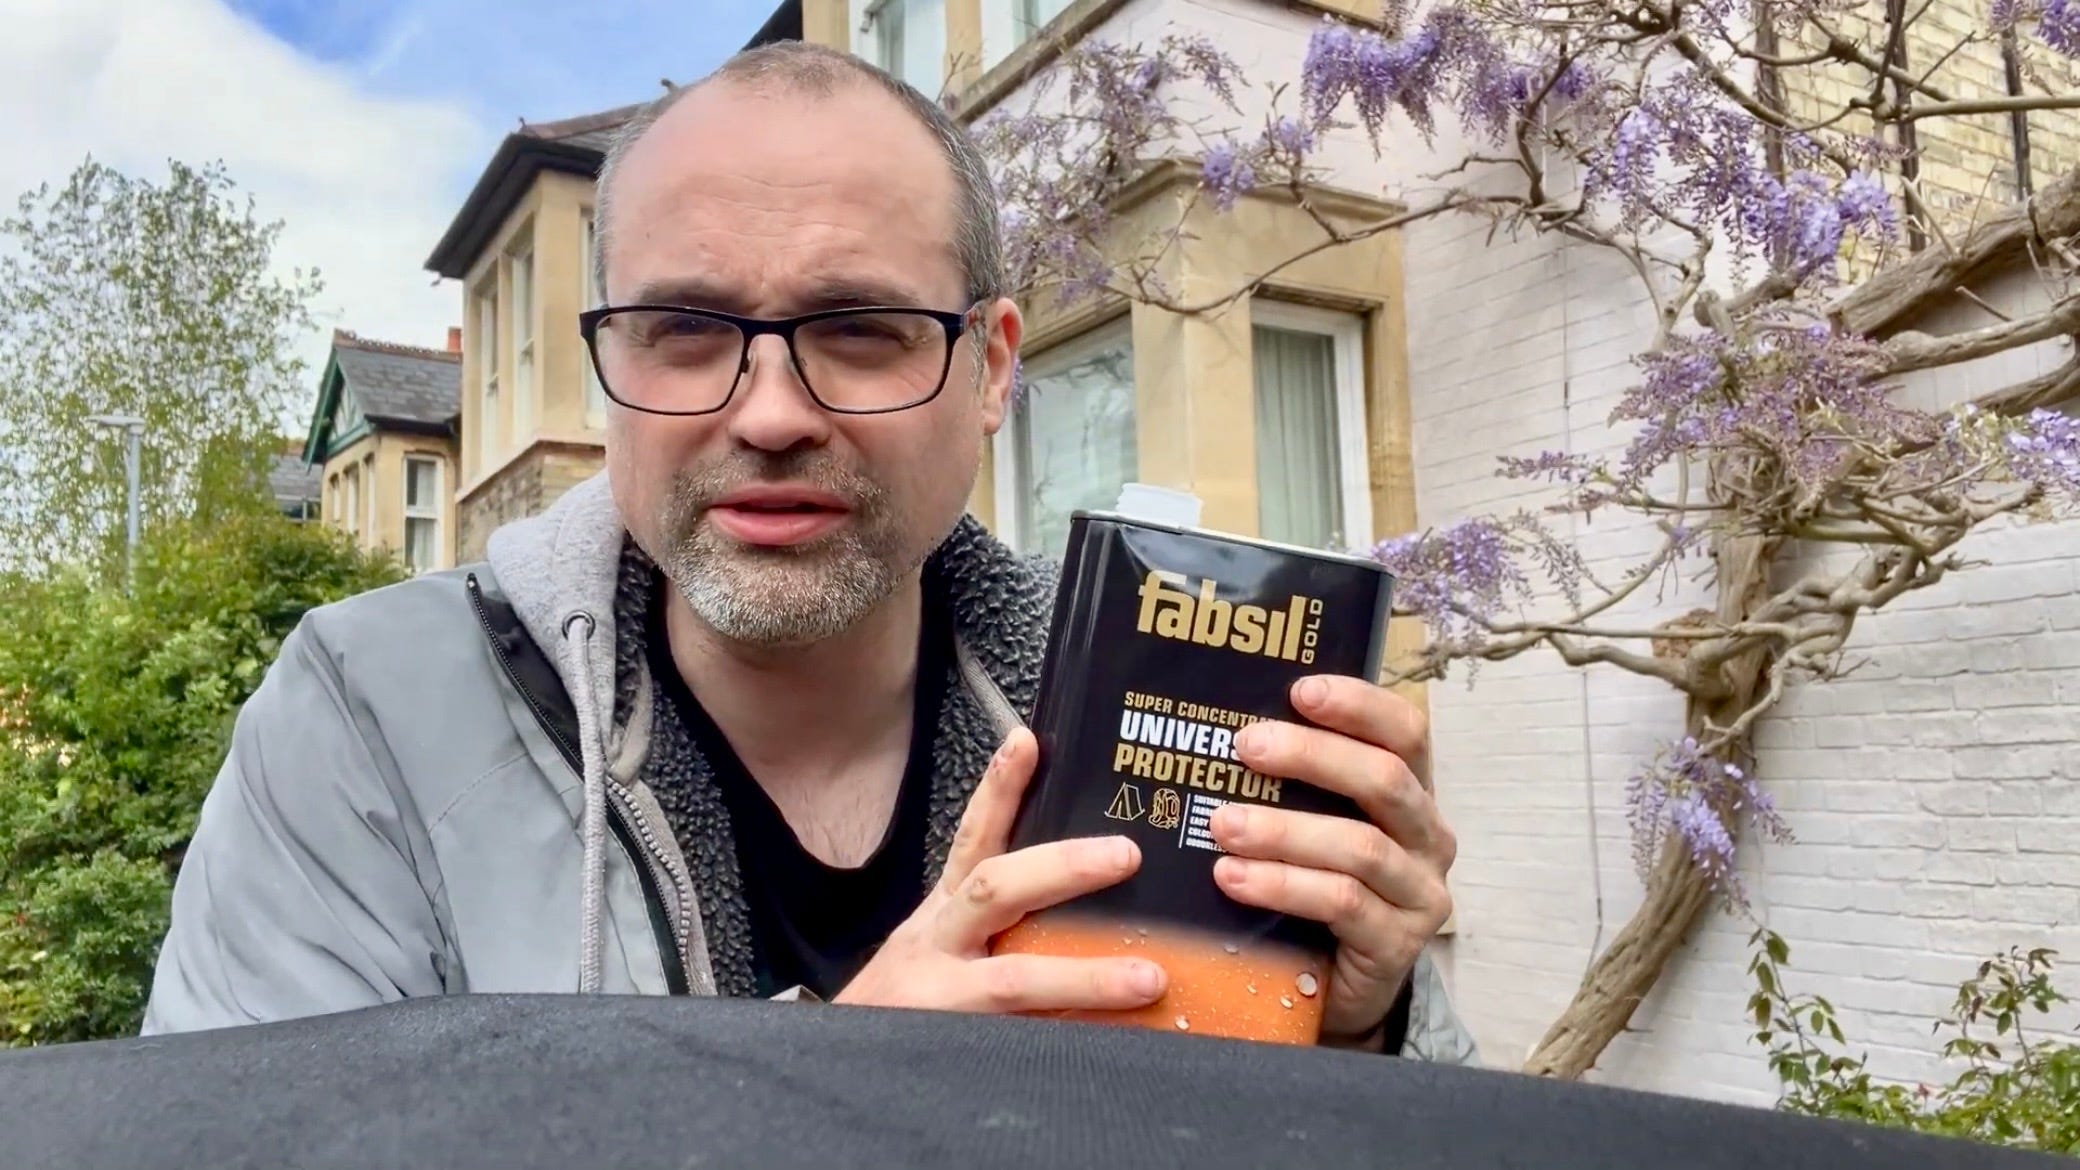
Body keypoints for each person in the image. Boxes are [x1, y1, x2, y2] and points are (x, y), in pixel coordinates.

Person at [140, 40, 1478, 1063]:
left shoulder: (1142, 711)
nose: (771, 414)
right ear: (607, 368)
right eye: (684, 330)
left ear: (992, 368)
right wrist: (839, 1087)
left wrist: (1361, 1032)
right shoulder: (366, 717)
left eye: (861, 330)